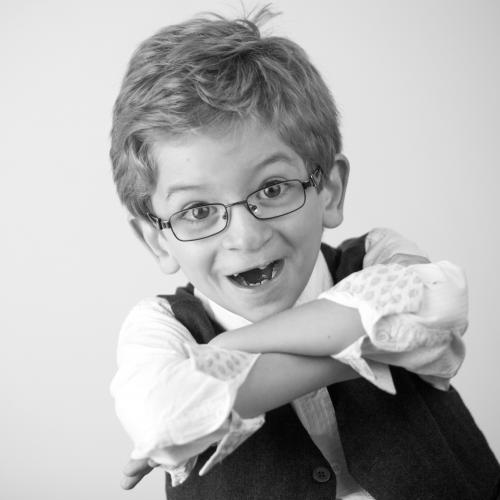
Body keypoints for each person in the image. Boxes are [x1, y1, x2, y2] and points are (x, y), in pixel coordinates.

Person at [109, 7, 500, 500]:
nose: (246, 237)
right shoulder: (159, 328)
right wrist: (367, 349)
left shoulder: (378, 256)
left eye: (273, 188)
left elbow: (438, 304)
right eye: (198, 210)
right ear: (156, 239)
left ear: (330, 190)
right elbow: (162, 416)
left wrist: (227, 352)